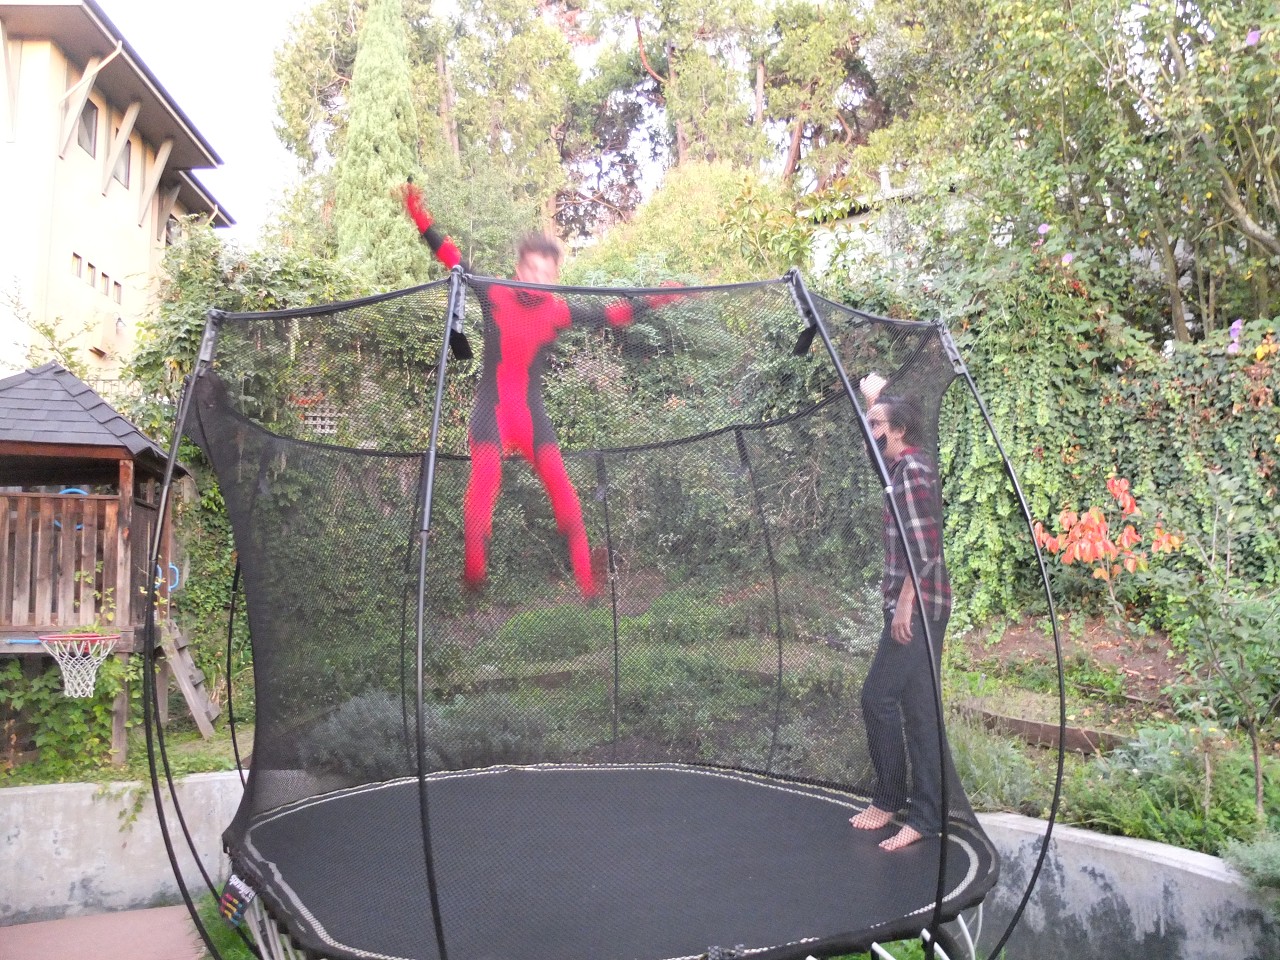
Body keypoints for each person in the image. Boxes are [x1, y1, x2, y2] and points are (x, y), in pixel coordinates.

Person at [401, 182, 680, 598]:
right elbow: (453, 258)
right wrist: (420, 218)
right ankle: (474, 570)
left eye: (546, 273)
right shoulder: (494, 292)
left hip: (531, 417)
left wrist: (657, 299)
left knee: (564, 493)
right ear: (518, 270)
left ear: (554, 278)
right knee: (485, 481)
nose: (537, 279)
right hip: (492, 411)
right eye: (531, 270)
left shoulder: (557, 311)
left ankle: (588, 586)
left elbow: (611, 314)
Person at [849, 377, 952, 852]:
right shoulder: (903, 466)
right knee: (920, 711)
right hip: (925, 604)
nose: (870, 433)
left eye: (877, 426)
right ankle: (927, 816)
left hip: (920, 606)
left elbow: (926, 545)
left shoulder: (911, 470)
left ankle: (889, 799)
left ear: (900, 431)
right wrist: (874, 401)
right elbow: (878, 453)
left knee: (877, 697)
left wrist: (905, 603)